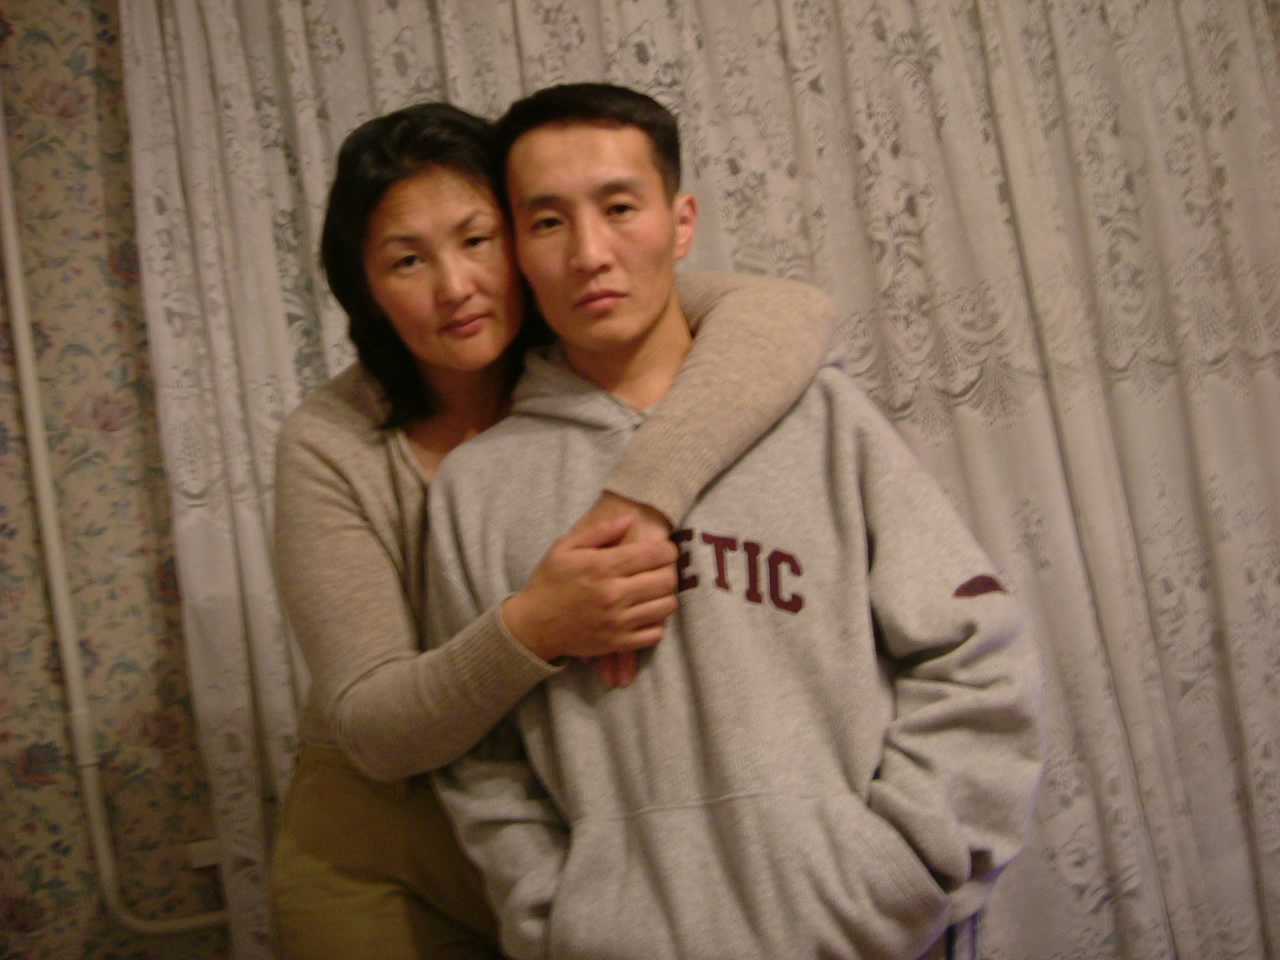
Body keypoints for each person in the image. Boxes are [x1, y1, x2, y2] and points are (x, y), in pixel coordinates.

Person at [426, 83, 1043, 960]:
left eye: (619, 208)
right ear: (519, 251)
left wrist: (901, 874)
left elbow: (975, 652)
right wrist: (562, 922)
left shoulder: (821, 418)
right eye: (549, 222)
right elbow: (482, 758)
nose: (590, 253)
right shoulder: (476, 489)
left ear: (681, 223)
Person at [267, 99, 836, 960]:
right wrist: (536, 625)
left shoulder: (587, 346)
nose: (454, 287)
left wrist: (638, 500)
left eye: (477, 240)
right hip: (389, 854)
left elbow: (790, 314)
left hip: (567, 826)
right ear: (366, 290)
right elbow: (374, 729)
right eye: (407, 260)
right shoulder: (333, 442)